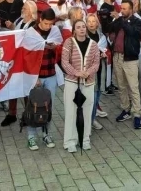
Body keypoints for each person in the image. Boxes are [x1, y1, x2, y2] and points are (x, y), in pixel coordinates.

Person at [61, 19, 100, 152]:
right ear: (74, 30)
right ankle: (70, 141)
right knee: (71, 111)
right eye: (78, 27)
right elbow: (64, 62)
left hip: (88, 82)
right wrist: (76, 72)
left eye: (83, 27)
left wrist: (87, 72)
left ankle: (84, 139)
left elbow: (96, 63)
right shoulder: (69, 42)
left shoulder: (93, 44)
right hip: (72, 82)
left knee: (87, 111)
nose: (82, 29)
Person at [27, 9, 61, 150]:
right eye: (46, 23)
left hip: (51, 73)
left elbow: (60, 48)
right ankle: (31, 136)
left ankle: (46, 134)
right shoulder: (31, 32)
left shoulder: (54, 31)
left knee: (48, 106)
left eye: (51, 24)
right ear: (40, 19)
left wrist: (55, 47)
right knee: (33, 106)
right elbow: (27, 56)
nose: (48, 26)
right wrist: (34, 77)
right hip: (37, 76)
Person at [111, 0, 141, 129]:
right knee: (121, 86)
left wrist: (121, 20)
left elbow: (132, 32)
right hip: (117, 56)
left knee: (133, 87)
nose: (122, 11)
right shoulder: (119, 21)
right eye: (121, 8)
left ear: (131, 9)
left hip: (130, 58)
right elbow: (109, 29)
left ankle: (137, 114)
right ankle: (125, 109)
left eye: (125, 9)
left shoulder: (137, 22)